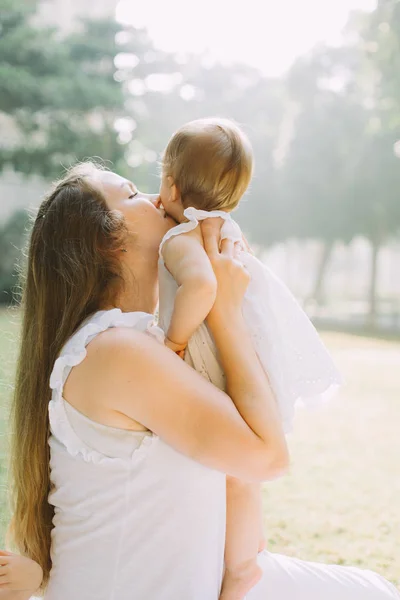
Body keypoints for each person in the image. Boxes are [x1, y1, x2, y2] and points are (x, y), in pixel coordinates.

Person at [2, 162, 399, 600]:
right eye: (132, 194)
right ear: (106, 241)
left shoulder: (145, 341)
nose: (157, 197)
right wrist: (225, 312)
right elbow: (266, 457)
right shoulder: (116, 352)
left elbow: (235, 481)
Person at [157, 117, 342, 599]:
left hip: (215, 359)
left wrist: (173, 342)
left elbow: (201, 286)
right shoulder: (229, 229)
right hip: (253, 358)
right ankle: (248, 549)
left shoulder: (180, 240)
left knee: (231, 470)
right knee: (242, 477)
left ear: (171, 185)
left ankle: (239, 570)